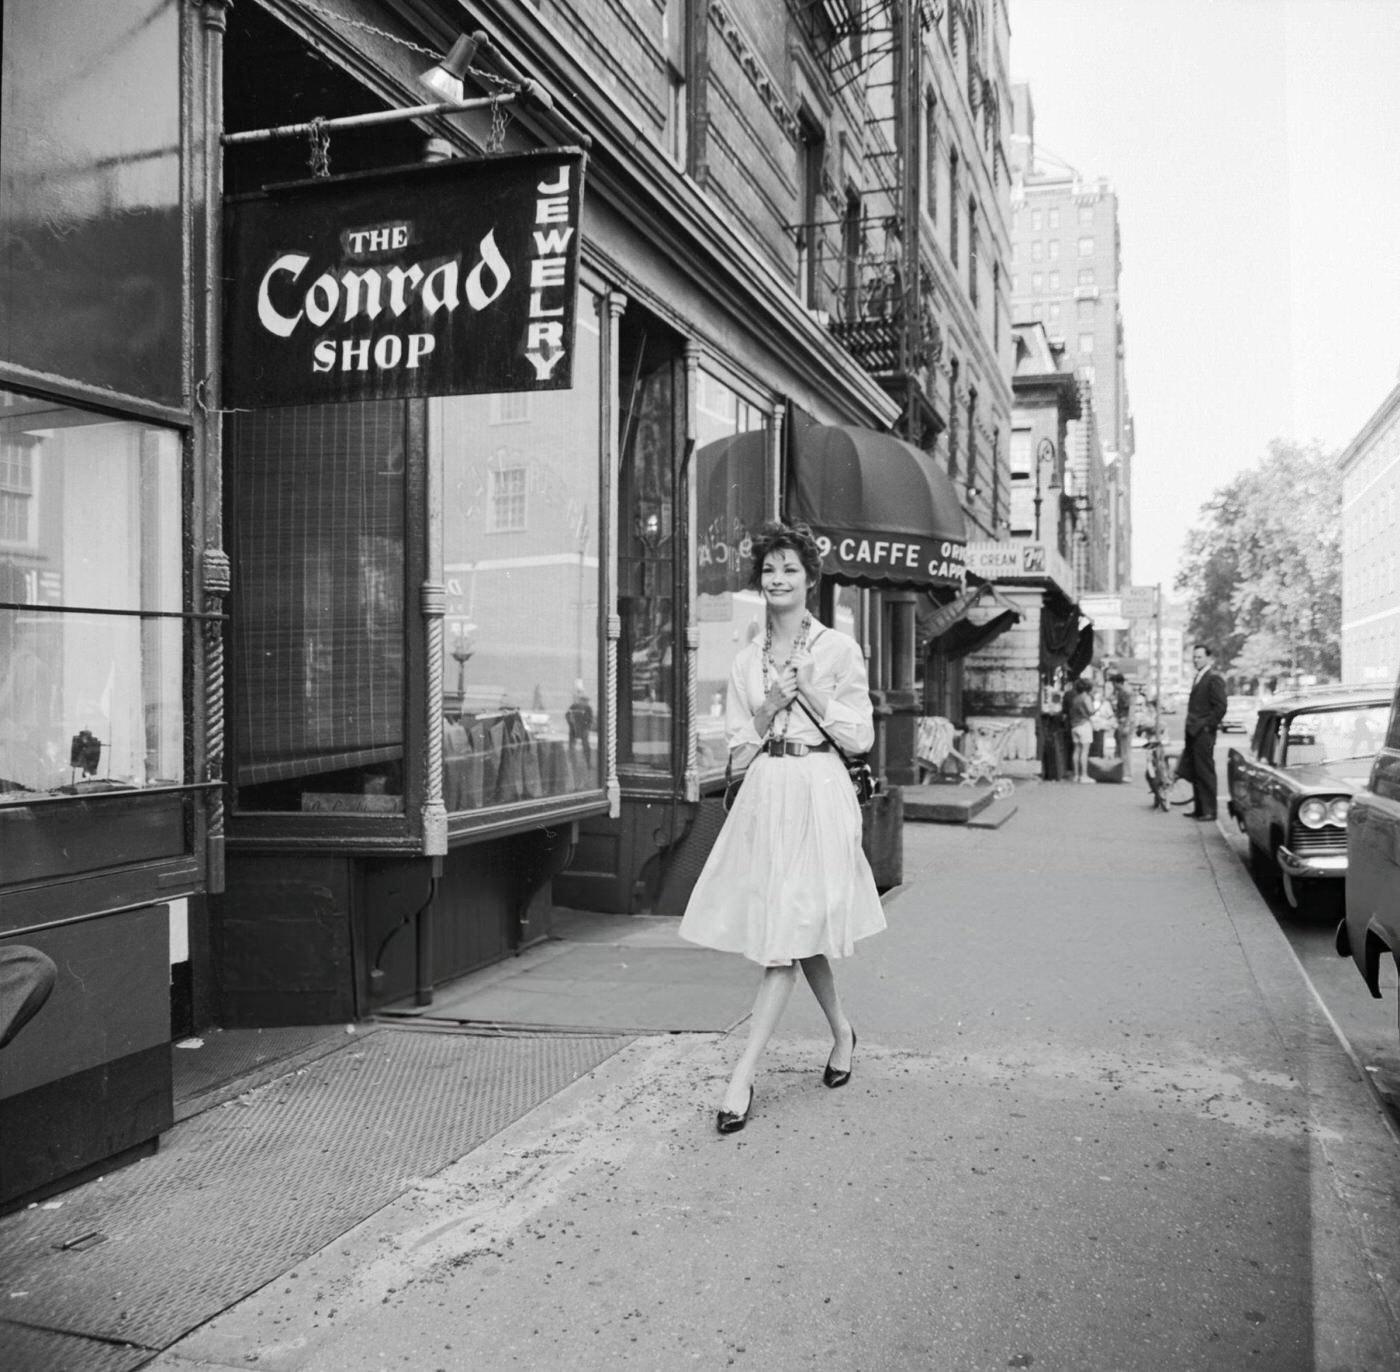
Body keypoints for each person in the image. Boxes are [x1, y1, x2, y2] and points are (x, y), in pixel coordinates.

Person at [679, 521, 885, 1135]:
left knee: (786, 938)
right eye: (769, 570)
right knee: (795, 926)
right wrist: (769, 707)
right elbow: (738, 746)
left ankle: (742, 1075)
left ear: (810, 579)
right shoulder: (745, 660)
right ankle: (843, 1032)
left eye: (790, 569)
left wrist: (813, 695)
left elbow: (861, 734)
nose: (778, 579)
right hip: (769, 794)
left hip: (819, 792)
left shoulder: (839, 651)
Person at [1176, 643, 1228, 820]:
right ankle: (1200, 809)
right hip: (1193, 730)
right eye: (1194, 657)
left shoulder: (1213, 678)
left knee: (1205, 771)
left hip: (1202, 731)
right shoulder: (1199, 677)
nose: (1195, 660)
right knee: (1196, 770)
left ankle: (1209, 810)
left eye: (1199, 657)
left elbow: (1220, 707)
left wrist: (1207, 726)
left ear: (1208, 658)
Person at [1067, 677, 1094, 783]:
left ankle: (1076, 775)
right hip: (1084, 724)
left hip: (1074, 726)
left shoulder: (1075, 698)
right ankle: (1084, 775)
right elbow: (1090, 711)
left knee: (1076, 750)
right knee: (1085, 751)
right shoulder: (1086, 698)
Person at [1110, 672, 1135, 779]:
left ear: (1117, 683)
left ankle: (1126, 773)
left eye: (1113, 683)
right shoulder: (1125, 691)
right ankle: (1125, 772)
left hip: (1124, 722)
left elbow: (1130, 709)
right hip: (1125, 722)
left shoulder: (1124, 692)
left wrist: (1127, 724)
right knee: (1124, 748)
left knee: (1124, 749)